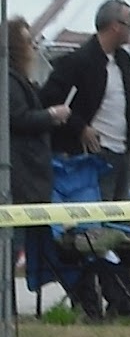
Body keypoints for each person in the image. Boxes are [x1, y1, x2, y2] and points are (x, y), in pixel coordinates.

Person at [40, 0, 130, 201]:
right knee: (98, 210)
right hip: (93, 155)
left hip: (123, 152)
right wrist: (81, 128)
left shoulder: (123, 60)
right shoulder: (77, 61)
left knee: (124, 208)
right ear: (115, 26)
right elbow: (49, 101)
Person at [7, 17, 75, 275]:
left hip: (30, 175)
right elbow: (18, 118)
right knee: (11, 244)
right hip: (19, 175)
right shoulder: (9, 81)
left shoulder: (21, 80)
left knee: (23, 242)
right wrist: (50, 116)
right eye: (28, 42)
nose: (33, 47)